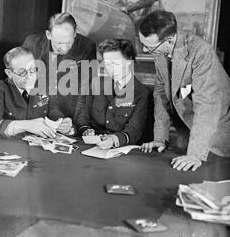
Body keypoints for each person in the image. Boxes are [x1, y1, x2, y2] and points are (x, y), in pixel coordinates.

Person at [139, 10, 230, 171]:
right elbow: (161, 96)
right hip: (187, 132)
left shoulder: (201, 52)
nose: (145, 51)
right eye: (143, 45)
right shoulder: (161, 53)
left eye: (150, 47)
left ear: (170, 39)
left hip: (215, 138)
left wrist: (195, 154)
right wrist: (160, 138)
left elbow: (208, 106)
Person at [22, 12, 96, 129]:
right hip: (36, 113)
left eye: (69, 43)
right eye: (59, 43)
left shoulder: (87, 47)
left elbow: (85, 91)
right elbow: (21, 83)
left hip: (68, 114)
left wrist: (76, 125)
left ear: (75, 33)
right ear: (48, 34)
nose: (64, 48)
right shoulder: (32, 44)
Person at [75, 39, 150, 149]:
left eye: (116, 63)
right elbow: (82, 117)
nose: (111, 69)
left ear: (129, 61)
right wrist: (86, 130)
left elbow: (134, 131)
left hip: (121, 151)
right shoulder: (96, 84)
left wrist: (113, 139)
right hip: (91, 147)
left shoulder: (142, 93)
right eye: (107, 64)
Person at [0, 47, 69, 138]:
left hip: (37, 149)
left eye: (33, 69)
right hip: (11, 147)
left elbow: (55, 116)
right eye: (22, 72)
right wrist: (26, 125)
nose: (30, 76)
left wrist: (65, 127)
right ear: (9, 73)